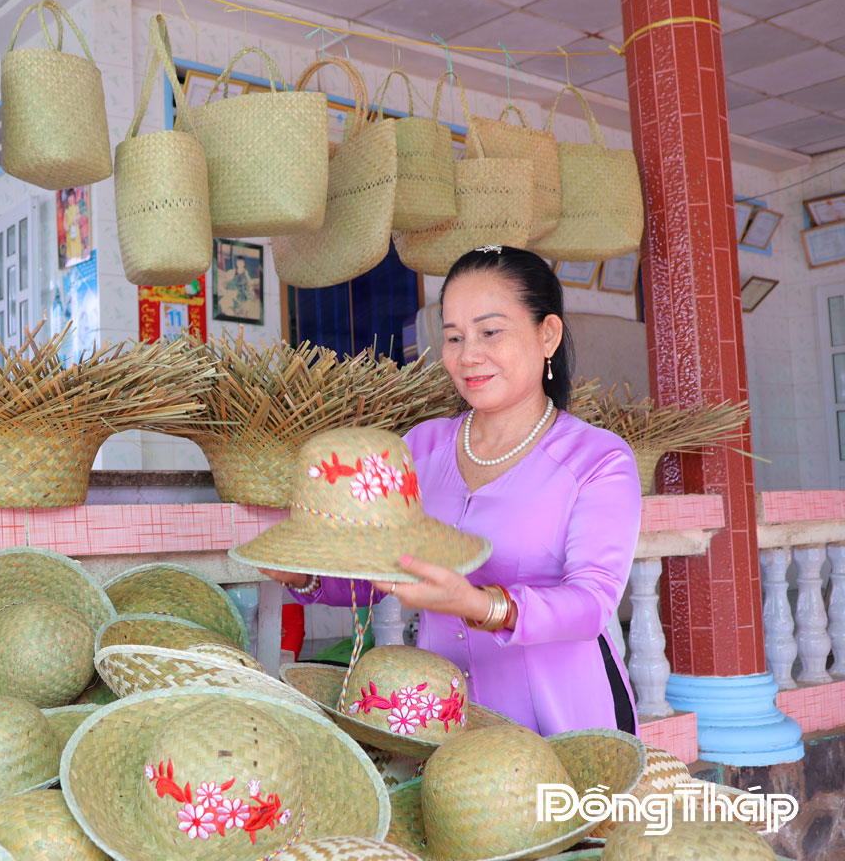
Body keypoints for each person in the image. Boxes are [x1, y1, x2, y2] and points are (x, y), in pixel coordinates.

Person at [260, 246, 641, 736]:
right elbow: (381, 569)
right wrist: (307, 576)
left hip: (560, 716)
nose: (467, 355)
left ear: (547, 334)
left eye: (490, 332)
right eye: (454, 336)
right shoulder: (419, 447)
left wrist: (478, 604)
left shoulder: (597, 459)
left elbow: (592, 603)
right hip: (439, 718)